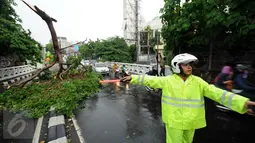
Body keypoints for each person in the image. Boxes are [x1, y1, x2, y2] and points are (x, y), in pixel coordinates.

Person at [123, 53, 255, 143]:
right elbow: (150, 80)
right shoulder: (168, 81)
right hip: (174, 121)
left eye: (190, 64)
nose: (189, 67)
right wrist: (133, 77)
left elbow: (216, 93)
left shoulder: (198, 82)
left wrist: (242, 102)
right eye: (185, 64)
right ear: (177, 66)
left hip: (190, 122)